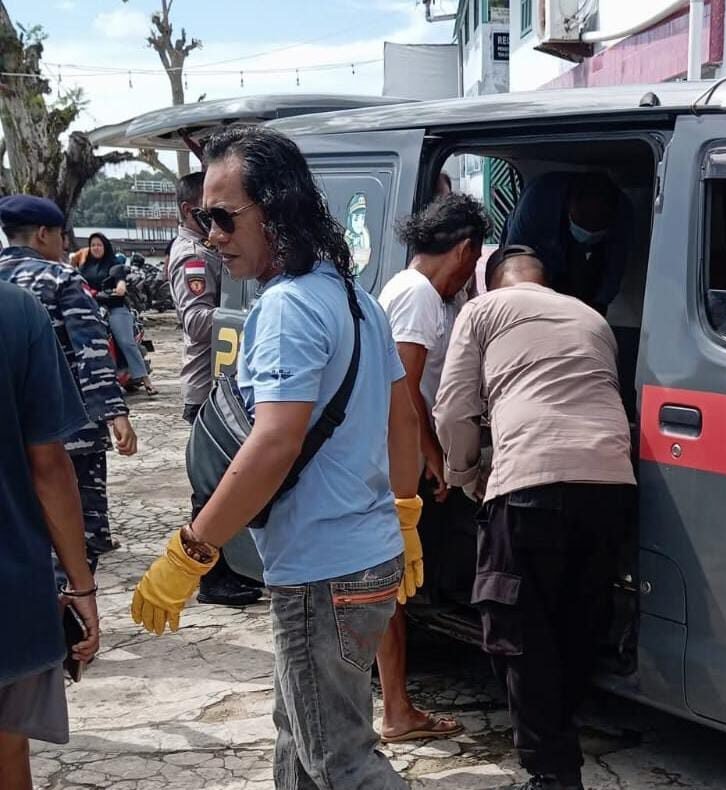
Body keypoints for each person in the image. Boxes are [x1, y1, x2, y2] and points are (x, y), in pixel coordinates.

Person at [129, 125, 424, 790]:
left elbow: (274, 443)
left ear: (278, 208)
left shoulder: (289, 307)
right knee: (301, 737)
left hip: (322, 571)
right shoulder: (353, 298)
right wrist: (403, 516)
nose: (212, 237)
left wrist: (192, 550)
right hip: (365, 555)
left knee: (339, 758)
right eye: (204, 219)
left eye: (225, 219)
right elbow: (402, 420)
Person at [433, 247, 636, 790]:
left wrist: (463, 475)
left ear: (492, 284)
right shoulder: (592, 317)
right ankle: (560, 736)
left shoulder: (483, 310)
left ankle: (552, 772)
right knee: (576, 619)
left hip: (529, 483)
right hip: (610, 484)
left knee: (517, 629)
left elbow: (453, 408)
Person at [375, 194, 487, 743]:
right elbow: (406, 387)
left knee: (391, 577)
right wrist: (435, 458)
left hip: (396, 453)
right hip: (400, 459)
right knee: (390, 580)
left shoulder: (407, 287)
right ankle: (397, 708)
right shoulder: (418, 295)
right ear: (464, 249)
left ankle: (392, 699)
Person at [0, 281, 101, 790]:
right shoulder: (16, 312)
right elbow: (49, 466)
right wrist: (81, 585)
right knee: (6, 749)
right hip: (10, 592)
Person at [0, 196, 138, 561]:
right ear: (42, 234)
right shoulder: (60, 278)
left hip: (11, 427)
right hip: (65, 422)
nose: (64, 245)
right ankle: (79, 582)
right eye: (62, 235)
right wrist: (115, 413)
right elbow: (90, 352)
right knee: (81, 520)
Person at [168, 172, 263, 607]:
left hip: (223, 382)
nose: (216, 233)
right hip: (207, 383)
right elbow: (195, 320)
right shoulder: (191, 255)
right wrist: (246, 317)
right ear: (191, 211)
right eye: (210, 217)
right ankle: (213, 576)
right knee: (210, 483)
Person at [499, 171, 631, 313]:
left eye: (597, 226)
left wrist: (597, 308)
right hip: (539, 254)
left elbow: (614, 270)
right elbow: (513, 262)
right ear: (571, 203)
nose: (589, 232)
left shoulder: (622, 213)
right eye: (584, 220)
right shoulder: (538, 200)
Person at [79, 232, 157, 395]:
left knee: (126, 342)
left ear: (105, 246)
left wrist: (119, 288)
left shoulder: (114, 265)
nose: (96, 248)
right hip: (93, 308)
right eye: (93, 245)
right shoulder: (85, 267)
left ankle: (146, 381)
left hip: (115, 308)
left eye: (99, 245)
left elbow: (120, 282)